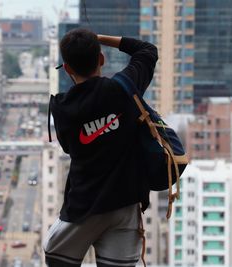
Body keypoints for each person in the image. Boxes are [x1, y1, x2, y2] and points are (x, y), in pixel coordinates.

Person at [44, 28, 158, 267]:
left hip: (84, 206)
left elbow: (68, 147)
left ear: (67, 69)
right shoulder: (124, 87)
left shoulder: (62, 108)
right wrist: (101, 39)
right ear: (101, 59)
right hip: (125, 207)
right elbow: (147, 50)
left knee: (54, 256)